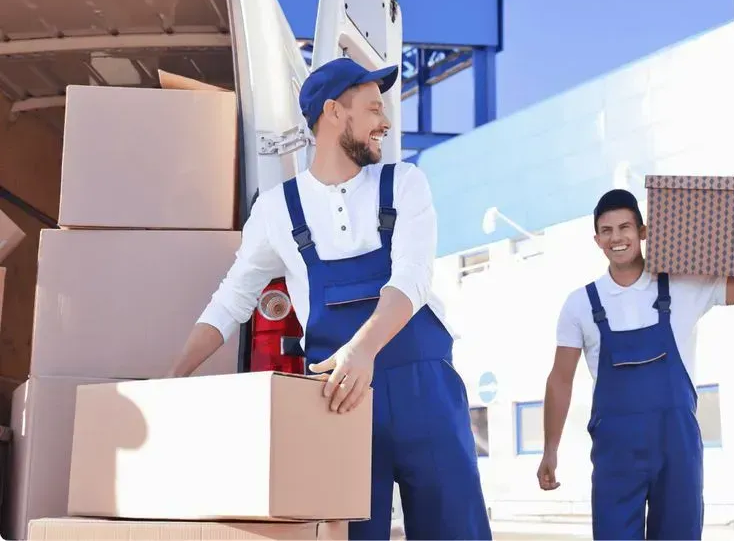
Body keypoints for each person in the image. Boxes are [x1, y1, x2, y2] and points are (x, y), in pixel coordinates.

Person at [167, 57, 492, 541]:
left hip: (425, 392)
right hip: (338, 404)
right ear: (334, 112)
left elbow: (412, 277)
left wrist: (363, 350)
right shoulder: (278, 210)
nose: (384, 122)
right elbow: (231, 299)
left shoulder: (403, 183)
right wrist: (174, 378)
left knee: (456, 530)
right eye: (373, 109)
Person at [536, 188, 734, 540]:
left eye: (625, 227)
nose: (617, 237)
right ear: (596, 239)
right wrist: (550, 449)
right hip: (617, 455)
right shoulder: (580, 304)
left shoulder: (684, 285)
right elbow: (560, 380)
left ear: (643, 232)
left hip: (677, 450)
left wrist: (716, 222)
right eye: (607, 230)